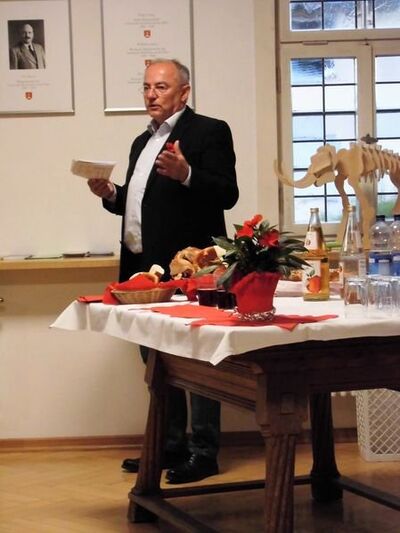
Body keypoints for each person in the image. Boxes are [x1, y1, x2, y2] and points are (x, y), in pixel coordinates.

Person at [87, 58, 238, 484]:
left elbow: (227, 193)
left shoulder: (209, 131)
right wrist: (110, 192)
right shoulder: (141, 141)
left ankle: (203, 451)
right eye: (147, 87)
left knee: (198, 360)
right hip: (142, 269)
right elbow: (139, 203)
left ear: (184, 92)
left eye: (161, 86)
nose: (151, 94)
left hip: (188, 270)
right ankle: (170, 446)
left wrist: (187, 173)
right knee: (156, 359)